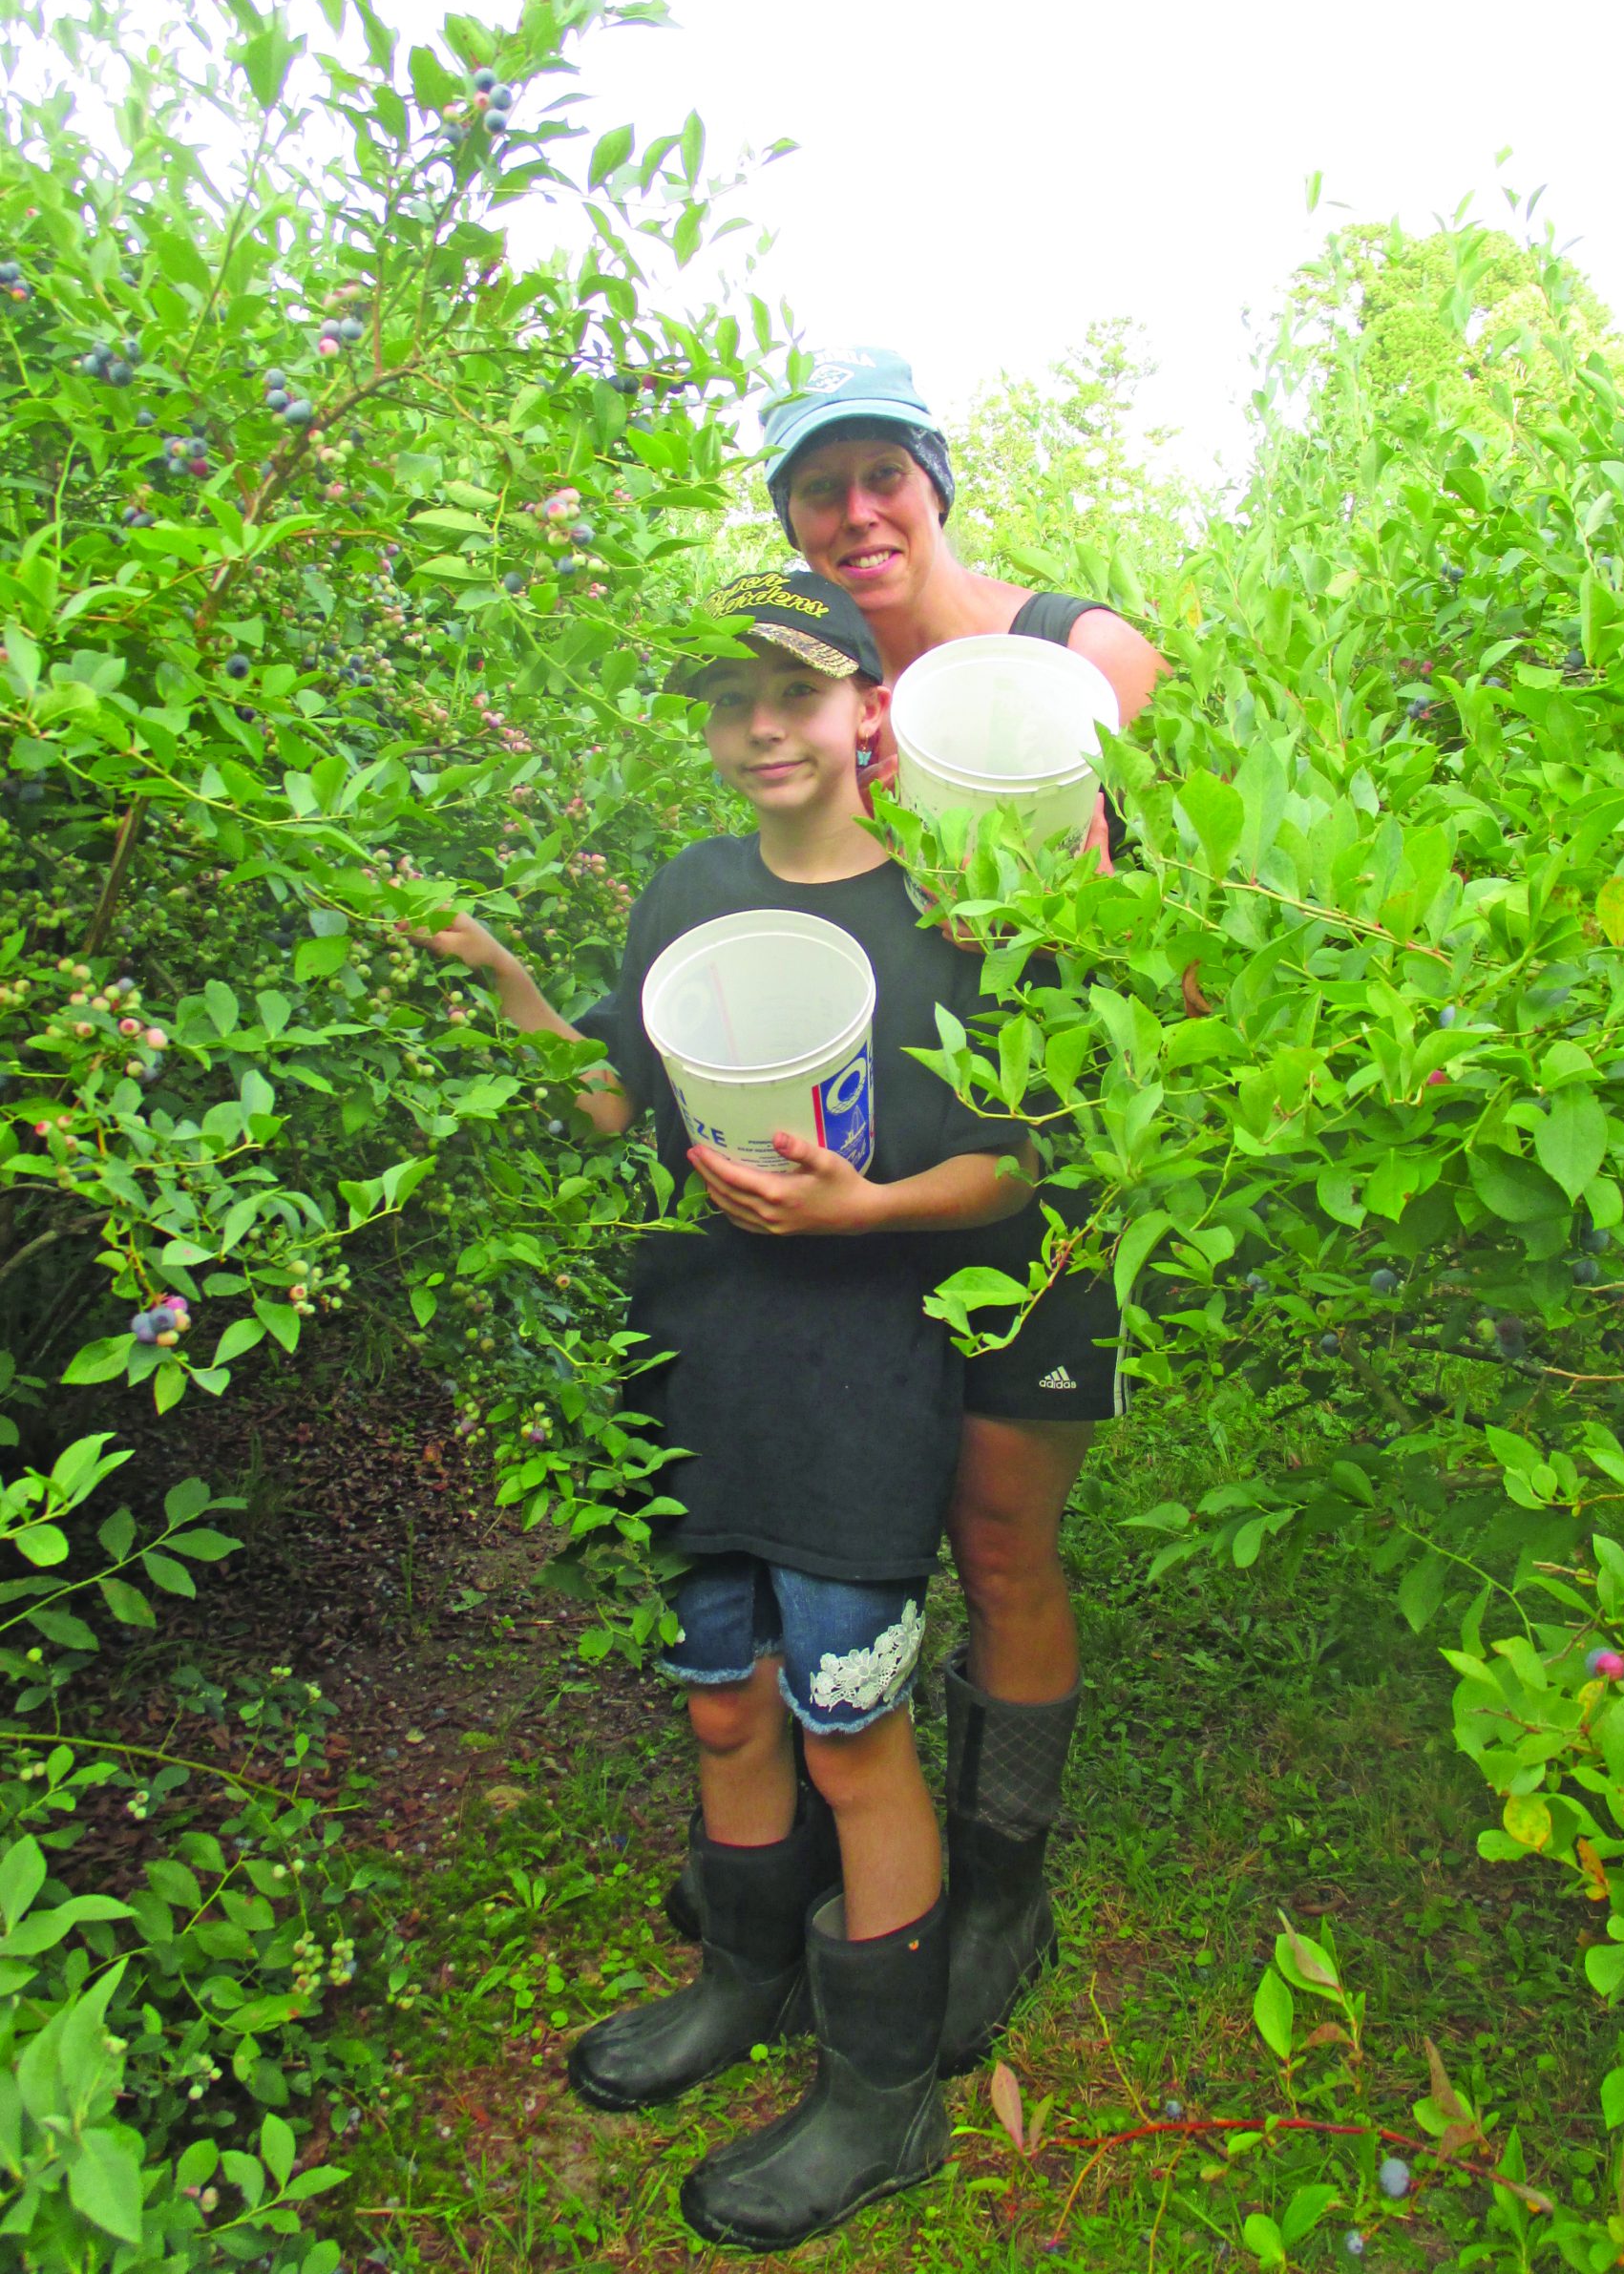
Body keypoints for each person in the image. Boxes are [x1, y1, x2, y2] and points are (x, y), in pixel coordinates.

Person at [416, 571, 1033, 2253]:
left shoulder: (956, 904)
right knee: (719, 1703)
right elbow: (619, 1094)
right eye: (729, 702)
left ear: (866, 715)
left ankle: (879, 2095)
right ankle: (740, 1986)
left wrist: (867, 1212)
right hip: (697, 1351)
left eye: (796, 695)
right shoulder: (688, 893)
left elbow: (1028, 1161)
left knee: (852, 1723)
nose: (760, 728)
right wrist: (506, 985)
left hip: (870, 1363)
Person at [763, 347, 1167, 2077]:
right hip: (858, 1159)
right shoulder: (809, 662)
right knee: (852, 1509)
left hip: (1036, 1170)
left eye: (882, 476)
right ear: (789, 513)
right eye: (818, 485)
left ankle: (1004, 1876)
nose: (857, 513)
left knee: (1002, 1536)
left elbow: (1171, 935)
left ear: (935, 479)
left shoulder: (1082, 651)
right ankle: (843, 1836)